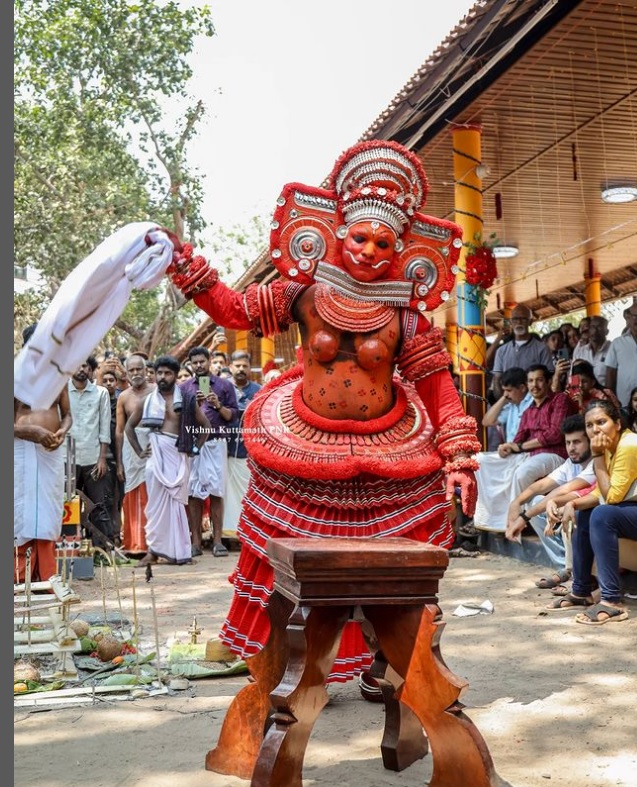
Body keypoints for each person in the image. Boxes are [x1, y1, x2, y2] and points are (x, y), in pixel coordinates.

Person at [166, 139, 481, 681]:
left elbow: (436, 385)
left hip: (389, 456)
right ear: (338, 234)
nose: (370, 251)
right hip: (303, 447)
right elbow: (235, 310)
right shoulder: (303, 294)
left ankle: (385, 664)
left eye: (384, 243)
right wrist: (185, 266)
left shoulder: (407, 319)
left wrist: (458, 456)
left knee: (387, 574)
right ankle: (286, 668)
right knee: (291, 569)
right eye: (360, 237)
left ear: (401, 249)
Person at [544, 401, 637, 623]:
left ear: (617, 423)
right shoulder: (608, 448)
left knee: (602, 515)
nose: (595, 429)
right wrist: (567, 503)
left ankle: (611, 601)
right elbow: (598, 493)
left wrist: (596, 457)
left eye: (601, 422)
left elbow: (611, 497)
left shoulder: (629, 444)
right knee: (586, 513)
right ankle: (581, 590)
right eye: (590, 424)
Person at [125, 355, 210, 565]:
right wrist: (138, 451)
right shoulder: (147, 400)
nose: (163, 377)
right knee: (154, 507)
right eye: (159, 373)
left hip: (178, 456)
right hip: (155, 457)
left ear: (175, 375)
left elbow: (206, 427)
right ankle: (153, 551)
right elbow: (129, 427)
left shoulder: (187, 399)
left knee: (177, 506)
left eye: (168, 373)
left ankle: (179, 551)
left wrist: (195, 448)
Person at [474, 364, 577, 532]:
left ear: (549, 381)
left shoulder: (559, 400)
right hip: (529, 455)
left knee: (522, 472)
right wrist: (507, 448)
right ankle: (491, 521)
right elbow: (518, 438)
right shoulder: (529, 410)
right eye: (531, 381)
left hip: (554, 455)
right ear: (527, 384)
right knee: (480, 460)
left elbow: (554, 435)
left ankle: (516, 523)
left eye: (539, 380)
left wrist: (519, 446)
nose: (534, 385)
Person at [14, 324, 73, 583]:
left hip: (51, 451)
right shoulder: (15, 376)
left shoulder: (61, 375)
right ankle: (20, 574)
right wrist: (34, 432)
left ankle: (47, 576)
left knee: (48, 509)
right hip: (21, 449)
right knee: (20, 509)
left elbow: (68, 414)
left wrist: (61, 431)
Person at [504, 414, 593, 575]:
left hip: (587, 513)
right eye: (568, 442)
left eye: (577, 442)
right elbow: (541, 485)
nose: (571, 448)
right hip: (570, 507)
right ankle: (564, 568)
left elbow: (562, 492)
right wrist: (515, 503)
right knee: (535, 501)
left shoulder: (594, 464)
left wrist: (523, 517)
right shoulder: (570, 463)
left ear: (590, 441)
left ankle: (576, 571)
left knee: (565, 508)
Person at [179, 346, 239, 557]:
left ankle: (217, 541)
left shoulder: (224, 386)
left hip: (216, 443)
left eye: (202, 361)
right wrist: (191, 406)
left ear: (209, 360)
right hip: (194, 445)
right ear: (190, 364)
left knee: (216, 492)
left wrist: (218, 404)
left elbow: (233, 416)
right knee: (193, 492)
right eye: (194, 362)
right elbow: (177, 418)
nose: (199, 365)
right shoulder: (185, 388)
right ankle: (195, 542)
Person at [67, 357, 114, 548]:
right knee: (68, 505)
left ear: (90, 369)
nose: (81, 368)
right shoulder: (62, 392)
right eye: (77, 364)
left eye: (85, 365)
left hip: (94, 458)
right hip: (67, 457)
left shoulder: (100, 393)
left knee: (99, 506)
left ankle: (102, 551)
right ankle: (70, 552)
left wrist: (102, 458)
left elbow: (105, 428)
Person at [115, 354, 156, 556]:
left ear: (145, 370)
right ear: (126, 373)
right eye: (131, 370)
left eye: (138, 369)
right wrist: (120, 464)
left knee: (153, 495)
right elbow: (119, 431)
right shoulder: (123, 397)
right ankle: (135, 544)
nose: (135, 373)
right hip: (132, 453)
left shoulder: (157, 391)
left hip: (155, 448)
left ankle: (155, 544)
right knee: (133, 495)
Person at [222, 350, 262, 539]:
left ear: (250, 368)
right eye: (237, 366)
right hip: (226, 452)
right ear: (230, 367)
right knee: (228, 496)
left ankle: (248, 533)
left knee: (248, 494)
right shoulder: (222, 389)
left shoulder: (259, 391)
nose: (241, 369)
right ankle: (229, 535)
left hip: (249, 455)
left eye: (245, 366)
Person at [491, 305, 554, 398]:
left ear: (530, 321)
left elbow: (549, 379)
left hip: (534, 403)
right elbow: (497, 380)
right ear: (511, 322)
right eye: (515, 319)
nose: (519, 322)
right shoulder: (501, 351)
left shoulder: (542, 349)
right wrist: (503, 403)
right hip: (508, 404)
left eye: (523, 319)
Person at [96, 365, 124, 545]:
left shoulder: (121, 401)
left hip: (121, 456)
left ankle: (116, 535)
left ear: (116, 383)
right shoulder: (98, 400)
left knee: (118, 499)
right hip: (103, 456)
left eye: (111, 380)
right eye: (104, 381)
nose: (108, 383)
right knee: (105, 498)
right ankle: (106, 537)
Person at [481, 366, 532, 448]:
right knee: (478, 458)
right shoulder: (511, 405)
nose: (505, 394)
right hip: (509, 451)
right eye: (504, 390)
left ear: (522, 388)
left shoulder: (533, 402)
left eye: (509, 390)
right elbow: (487, 422)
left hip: (525, 450)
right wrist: (503, 399)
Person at [604, 302, 637, 408]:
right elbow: (610, 373)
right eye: (635, 316)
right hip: (625, 403)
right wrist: (612, 401)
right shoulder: (617, 343)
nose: (636, 319)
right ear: (628, 318)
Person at [571, 315, 611, 386]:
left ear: (606, 332)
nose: (595, 331)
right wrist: (575, 394)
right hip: (584, 395)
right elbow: (573, 375)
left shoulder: (612, 349)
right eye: (592, 327)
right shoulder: (580, 352)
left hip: (606, 395)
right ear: (588, 330)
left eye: (599, 327)